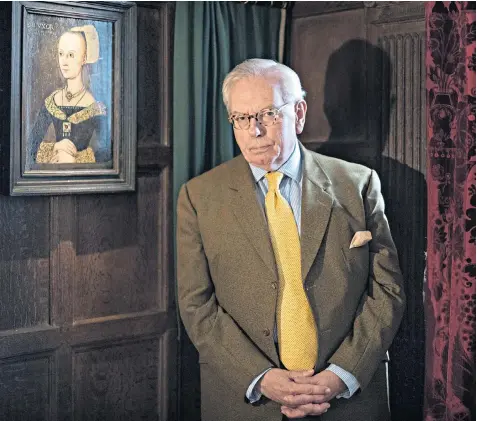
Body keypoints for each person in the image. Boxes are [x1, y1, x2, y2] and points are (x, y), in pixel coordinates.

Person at [176, 58, 405, 421]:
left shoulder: (357, 184)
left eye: (268, 114)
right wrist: (260, 377)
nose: (254, 131)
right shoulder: (199, 197)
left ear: (299, 113)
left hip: (349, 401)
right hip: (247, 403)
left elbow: (387, 290)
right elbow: (196, 306)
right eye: (241, 118)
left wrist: (340, 374)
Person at [28, 24, 110, 166]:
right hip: (52, 177)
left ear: (84, 58)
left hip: (84, 179)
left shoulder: (95, 107)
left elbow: (108, 151)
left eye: (71, 55)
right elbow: (31, 147)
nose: (64, 62)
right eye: (61, 54)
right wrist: (55, 147)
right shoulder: (52, 101)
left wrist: (75, 159)